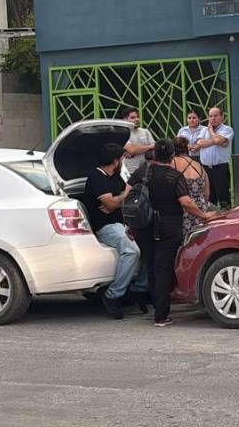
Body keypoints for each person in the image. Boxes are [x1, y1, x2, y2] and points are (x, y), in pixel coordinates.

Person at [130, 140, 215, 327]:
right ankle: (161, 315)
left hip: (144, 226)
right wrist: (203, 214)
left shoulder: (142, 172)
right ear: (171, 156)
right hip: (168, 227)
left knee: (151, 266)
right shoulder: (174, 176)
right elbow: (186, 202)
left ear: (154, 154)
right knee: (163, 269)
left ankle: (155, 306)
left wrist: (129, 223)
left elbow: (128, 195)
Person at [81, 143, 142, 319]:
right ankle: (113, 294)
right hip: (106, 227)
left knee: (150, 245)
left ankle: (138, 289)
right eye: (122, 159)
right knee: (132, 251)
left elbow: (127, 197)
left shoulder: (115, 177)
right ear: (116, 161)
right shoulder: (96, 178)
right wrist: (120, 199)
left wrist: (118, 200)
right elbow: (111, 203)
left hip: (122, 223)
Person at [194, 106, 234, 209]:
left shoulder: (227, 129)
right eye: (210, 116)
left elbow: (218, 141)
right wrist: (216, 141)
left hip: (220, 168)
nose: (212, 118)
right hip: (206, 169)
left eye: (215, 116)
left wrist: (211, 132)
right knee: (208, 198)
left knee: (224, 198)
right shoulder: (203, 130)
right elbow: (200, 143)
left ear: (222, 117)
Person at [119, 106, 156, 179]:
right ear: (125, 120)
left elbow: (154, 148)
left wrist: (136, 149)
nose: (137, 119)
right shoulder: (122, 133)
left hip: (147, 171)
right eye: (132, 118)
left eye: (137, 117)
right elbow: (132, 150)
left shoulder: (145, 131)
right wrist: (149, 147)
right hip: (130, 171)